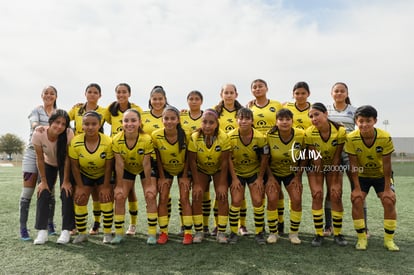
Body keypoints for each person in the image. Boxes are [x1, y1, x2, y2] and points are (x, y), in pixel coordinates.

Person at [345, 105, 399, 251]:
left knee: (389, 200)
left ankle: (389, 240)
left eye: (368, 121)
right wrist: (356, 188)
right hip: (362, 175)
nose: (364, 124)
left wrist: (387, 188)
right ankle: (362, 238)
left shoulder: (384, 137)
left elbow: (387, 165)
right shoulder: (351, 138)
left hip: (381, 175)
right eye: (360, 121)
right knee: (356, 199)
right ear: (356, 121)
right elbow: (353, 165)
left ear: (375, 121)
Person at [305, 102, 347, 247]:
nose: (314, 118)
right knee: (317, 194)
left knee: (335, 194)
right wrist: (320, 171)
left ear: (326, 114)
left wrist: (332, 174)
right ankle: (318, 234)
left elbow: (337, 156)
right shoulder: (309, 132)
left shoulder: (340, 130)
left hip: (333, 165)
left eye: (316, 114)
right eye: (311, 116)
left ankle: (338, 233)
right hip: (316, 166)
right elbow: (315, 158)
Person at [19, 85, 58, 241]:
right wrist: (44, 128)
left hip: (49, 156)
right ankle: (23, 228)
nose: (49, 95)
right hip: (32, 154)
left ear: (56, 96)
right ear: (42, 95)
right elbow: (35, 125)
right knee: (27, 192)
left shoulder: (58, 113)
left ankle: (49, 224)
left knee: (50, 191)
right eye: (46, 93)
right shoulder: (36, 110)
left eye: (52, 93)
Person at [111, 109, 156, 244]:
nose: (129, 124)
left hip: (144, 168)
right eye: (126, 121)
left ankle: (152, 234)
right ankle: (119, 234)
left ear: (139, 122)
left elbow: (146, 163)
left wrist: (148, 184)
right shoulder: (117, 139)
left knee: (150, 195)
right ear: (122, 123)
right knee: (119, 196)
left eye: (133, 120)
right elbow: (119, 164)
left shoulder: (146, 139)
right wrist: (119, 185)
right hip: (127, 168)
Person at [69, 111, 114, 244]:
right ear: (81, 125)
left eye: (94, 124)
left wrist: (106, 186)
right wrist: (81, 187)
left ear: (99, 125)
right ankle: (82, 234)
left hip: (102, 174)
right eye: (86, 124)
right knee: (80, 199)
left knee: (106, 199)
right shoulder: (76, 142)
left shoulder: (108, 141)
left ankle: (107, 232)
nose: (90, 127)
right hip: (84, 174)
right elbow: (75, 167)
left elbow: (108, 166)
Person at [104, 83, 143, 236]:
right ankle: (117, 223)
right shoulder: (110, 109)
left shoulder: (136, 109)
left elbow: (140, 128)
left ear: (129, 93)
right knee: (119, 190)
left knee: (131, 190)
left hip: (134, 152)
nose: (121, 95)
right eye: (118, 92)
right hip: (117, 151)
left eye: (124, 92)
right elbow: (101, 121)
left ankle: (132, 225)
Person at [68, 83, 107, 235]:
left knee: (97, 192)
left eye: (95, 92)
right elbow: (62, 118)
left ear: (100, 95)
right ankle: (76, 225)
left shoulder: (105, 111)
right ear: (85, 94)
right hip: (77, 152)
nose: (92, 94)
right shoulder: (77, 109)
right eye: (89, 92)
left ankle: (96, 224)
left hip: (97, 151)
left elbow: (122, 119)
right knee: (78, 191)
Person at [32, 109, 75, 244]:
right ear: (50, 122)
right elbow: (39, 158)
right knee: (43, 192)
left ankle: (66, 230)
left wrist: (66, 180)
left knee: (66, 192)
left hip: (64, 164)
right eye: (57, 122)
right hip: (47, 163)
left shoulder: (68, 133)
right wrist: (43, 181)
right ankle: (42, 231)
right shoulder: (39, 134)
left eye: (64, 124)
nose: (60, 126)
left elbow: (68, 158)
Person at [227, 108, 269, 245]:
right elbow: (228, 159)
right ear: (236, 120)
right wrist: (233, 179)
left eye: (247, 118)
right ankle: (233, 232)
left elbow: (264, 158)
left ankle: (259, 232)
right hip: (237, 173)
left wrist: (260, 178)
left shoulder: (260, 137)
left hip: (254, 172)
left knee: (257, 201)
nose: (244, 121)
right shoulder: (230, 136)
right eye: (241, 118)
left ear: (252, 121)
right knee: (236, 201)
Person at [248, 79, 284, 234]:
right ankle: (260, 223)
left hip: (275, 149)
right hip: (259, 151)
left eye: (260, 86)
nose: (257, 89)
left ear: (267, 88)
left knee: (277, 188)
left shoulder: (276, 105)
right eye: (254, 87)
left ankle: (280, 222)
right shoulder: (249, 107)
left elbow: (286, 116)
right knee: (260, 188)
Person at [324, 82, 361, 237]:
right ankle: (328, 226)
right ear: (331, 93)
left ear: (346, 93)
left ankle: (362, 227)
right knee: (332, 190)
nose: (339, 93)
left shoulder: (354, 111)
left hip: (350, 153)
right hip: (333, 154)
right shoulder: (326, 110)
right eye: (336, 91)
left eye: (342, 91)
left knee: (357, 189)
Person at [188, 109, 230, 244]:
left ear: (217, 124)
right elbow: (192, 162)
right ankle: (200, 231)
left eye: (211, 122)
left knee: (222, 196)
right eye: (204, 122)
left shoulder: (223, 137)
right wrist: (197, 183)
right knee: (197, 194)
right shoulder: (195, 137)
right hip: (201, 169)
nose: (207, 125)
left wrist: (223, 184)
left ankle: (221, 231)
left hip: (218, 169)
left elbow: (224, 162)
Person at [153, 106, 193, 245]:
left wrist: (185, 176)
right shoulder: (156, 135)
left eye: (172, 118)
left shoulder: (186, 134)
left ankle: (188, 233)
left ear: (178, 120)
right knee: (163, 198)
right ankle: (164, 232)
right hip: (166, 170)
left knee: (184, 198)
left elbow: (189, 155)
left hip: (183, 169)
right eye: (166, 118)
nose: (169, 121)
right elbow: (157, 157)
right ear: (162, 119)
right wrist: (162, 177)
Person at [212, 84, 248, 236]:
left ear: (236, 94)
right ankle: (217, 225)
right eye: (226, 92)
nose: (228, 95)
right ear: (221, 94)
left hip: (237, 156)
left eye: (231, 92)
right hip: (219, 156)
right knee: (220, 192)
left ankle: (242, 225)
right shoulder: (215, 111)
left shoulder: (242, 111)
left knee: (239, 192)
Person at [266, 108, 305, 245]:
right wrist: (270, 177)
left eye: (287, 119)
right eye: (281, 119)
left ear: (292, 121)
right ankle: (273, 233)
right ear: (276, 122)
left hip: (292, 173)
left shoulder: (300, 135)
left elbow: (304, 157)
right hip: (273, 173)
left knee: (297, 199)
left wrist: (298, 176)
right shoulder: (269, 136)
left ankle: (294, 233)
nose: (284, 122)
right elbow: (265, 159)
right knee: (272, 199)